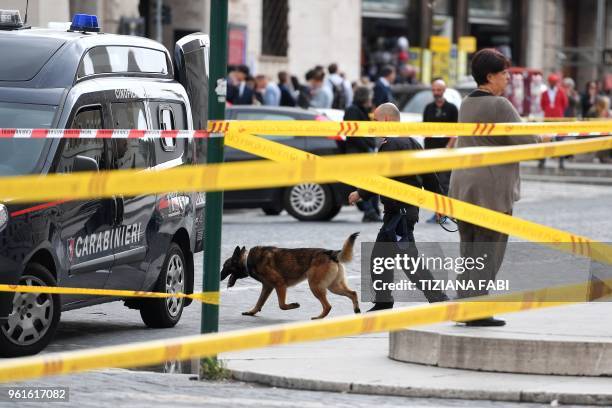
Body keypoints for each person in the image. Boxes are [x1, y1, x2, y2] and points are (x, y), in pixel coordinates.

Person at [448, 48, 540, 327]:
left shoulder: (467, 103)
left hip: (464, 188)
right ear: (490, 76)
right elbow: (530, 143)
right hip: (491, 190)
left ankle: (465, 306)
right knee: (489, 252)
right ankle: (477, 310)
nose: (508, 79)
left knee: (470, 251)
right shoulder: (500, 106)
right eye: (504, 73)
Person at [348, 103, 449, 312]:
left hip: (399, 212)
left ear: (386, 120)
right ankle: (388, 300)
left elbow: (380, 176)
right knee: (388, 256)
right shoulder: (412, 141)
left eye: (375, 120)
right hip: (405, 211)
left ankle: (435, 298)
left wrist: (360, 193)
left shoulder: (390, 144)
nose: (373, 124)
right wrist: (440, 202)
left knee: (401, 259)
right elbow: (430, 176)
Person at [422, 78, 458, 223]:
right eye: (434, 90)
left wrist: (448, 147)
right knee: (433, 183)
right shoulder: (428, 108)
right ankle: (437, 212)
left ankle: (444, 213)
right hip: (431, 152)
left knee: (444, 182)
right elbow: (424, 130)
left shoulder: (452, 109)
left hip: (445, 152)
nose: (436, 93)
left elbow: (456, 131)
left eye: (439, 90)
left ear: (444, 90)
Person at [343, 86, 381, 222]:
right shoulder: (353, 110)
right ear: (364, 98)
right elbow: (354, 135)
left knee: (370, 182)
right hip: (357, 153)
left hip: (364, 151)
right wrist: (369, 145)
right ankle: (369, 211)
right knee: (362, 183)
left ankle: (373, 210)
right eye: (369, 97)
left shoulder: (362, 110)